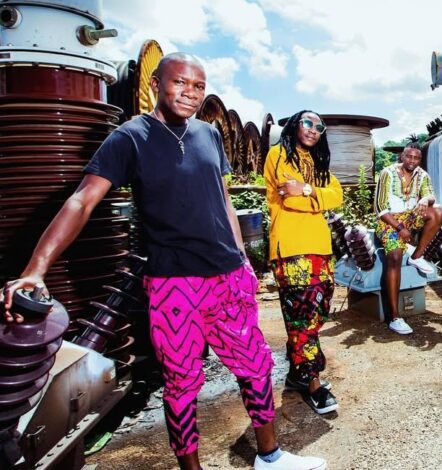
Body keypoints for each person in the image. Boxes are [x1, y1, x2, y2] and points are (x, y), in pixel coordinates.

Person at [2, 53, 326, 470]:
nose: (190, 93)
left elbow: (223, 200)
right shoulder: (130, 137)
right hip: (174, 285)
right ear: (156, 84)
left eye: (198, 86)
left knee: (255, 367)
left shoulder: (210, 134)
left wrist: (243, 259)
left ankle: (270, 456)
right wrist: (36, 268)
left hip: (228, 277)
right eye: (180, 83)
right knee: (182, 386)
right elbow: (82, 201)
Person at [263, 110, 342, 415]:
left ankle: (298, 373)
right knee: (303, 319)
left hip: (320, 249)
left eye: (319, 126)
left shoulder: (318, 163)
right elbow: (290, 198)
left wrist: (307, 189)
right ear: (295, 125)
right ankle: (313, 383)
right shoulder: (279, 155)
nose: (313, 129)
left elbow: (337, 195)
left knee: (317, 313)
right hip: (292, 249)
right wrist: (314, 196)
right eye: (308, 123)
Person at [374, 142, 442, 335]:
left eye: (416, 158)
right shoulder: (387, 173)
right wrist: (400, 229)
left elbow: (430, 194)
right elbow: (380, 208)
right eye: (409, 156)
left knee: (438, 212)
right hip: (389, 221)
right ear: (402, 156)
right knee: (395, 256)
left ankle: (416, 256)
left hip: (410, 217)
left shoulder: (422, 175)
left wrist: (425, 199)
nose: (412, 160)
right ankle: (394, 317)